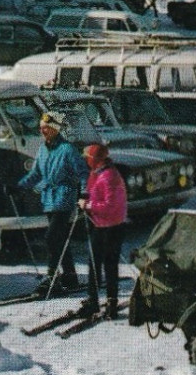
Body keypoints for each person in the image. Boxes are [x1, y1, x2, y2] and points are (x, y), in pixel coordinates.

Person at [17, 112, 90, 296]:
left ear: (56, 129)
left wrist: (84, 192)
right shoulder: (42, 150)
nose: (43, 131)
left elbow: (83, 173)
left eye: (46, 128)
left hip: (64, 197)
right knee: (60, 238)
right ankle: (70, 276)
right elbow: (36, 174)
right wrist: (18, 186)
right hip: (48, 199)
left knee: (51, 237)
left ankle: (51, 276)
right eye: (41, 128)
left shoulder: (67, 149)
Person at [80, 143, 128, 318]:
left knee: (103, 264)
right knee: (101, 264)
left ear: (95, 159)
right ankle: (100, 300)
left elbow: (110, 206)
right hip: (103, 224)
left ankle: (107, 302)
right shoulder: (100, 173)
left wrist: (88, 205)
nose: (86, 161)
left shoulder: (108, 176)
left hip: (108, 227)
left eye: (87, 158)